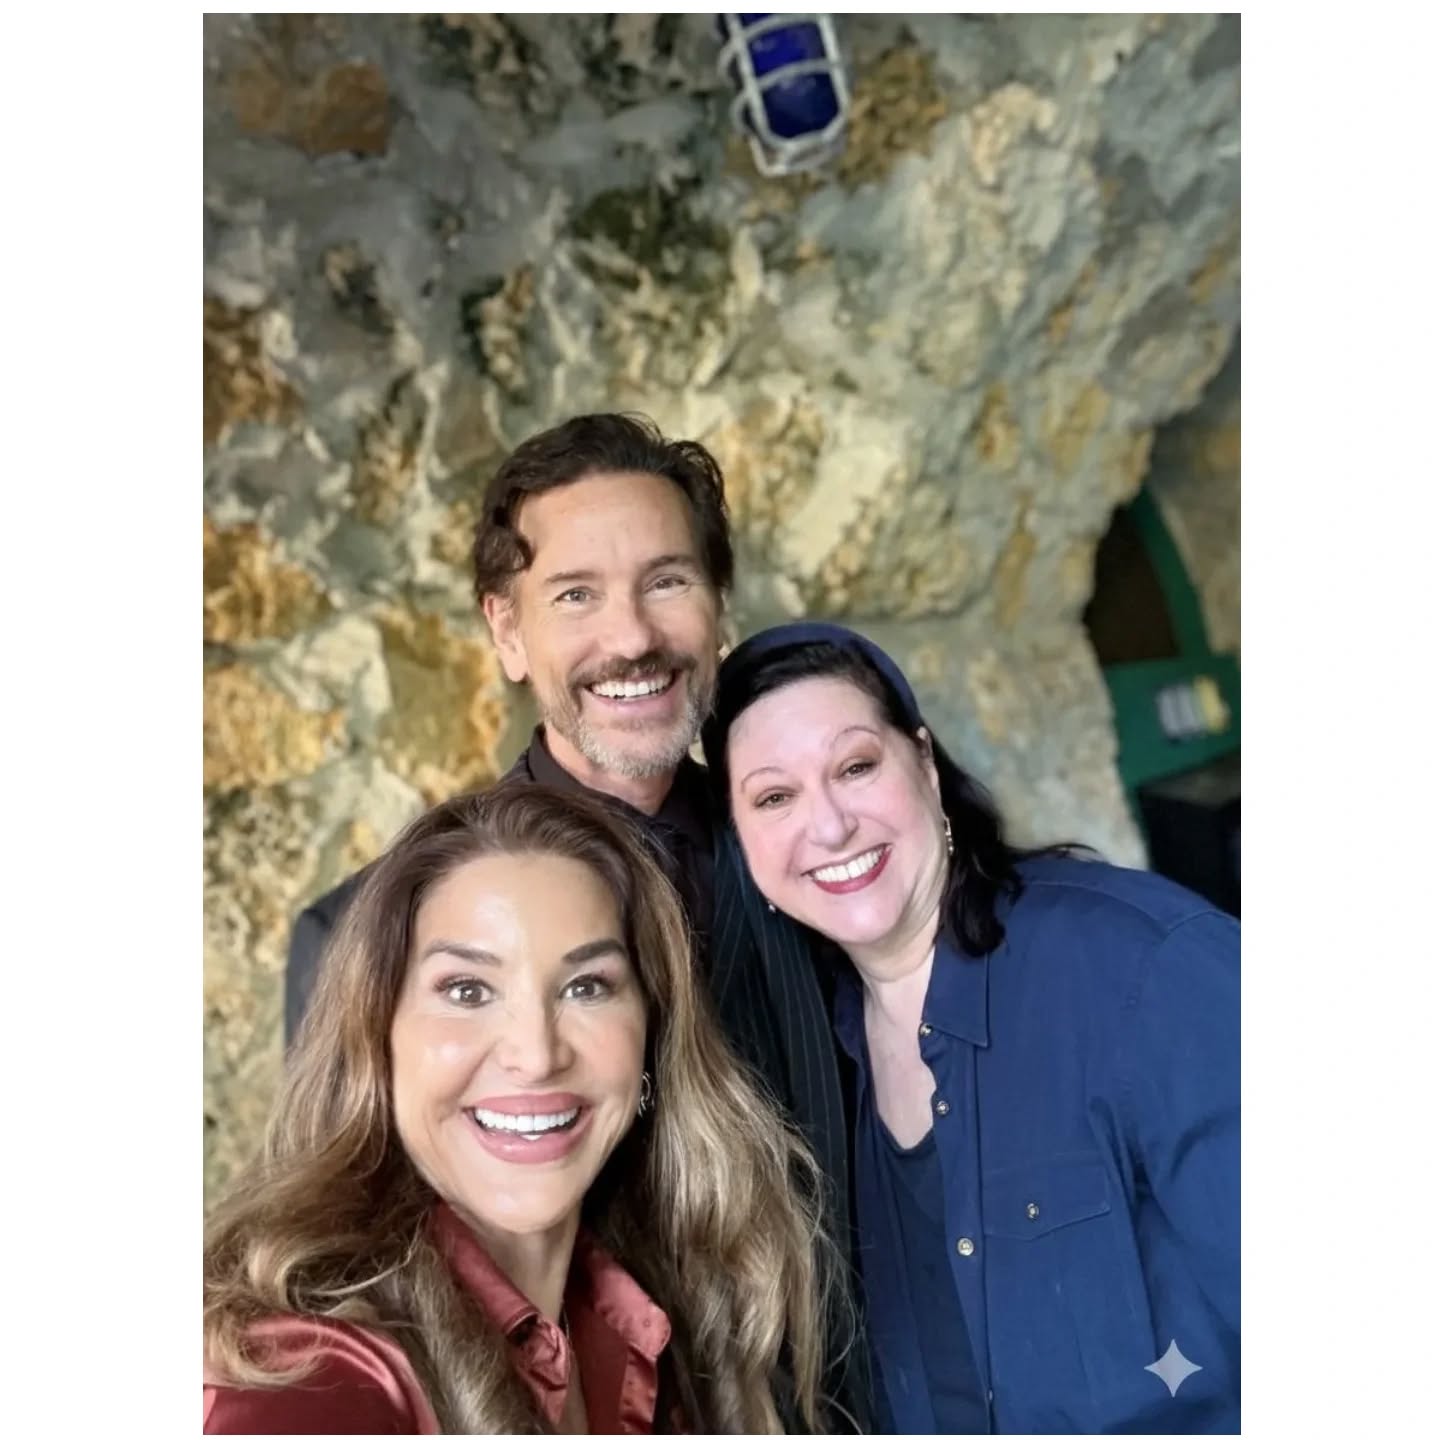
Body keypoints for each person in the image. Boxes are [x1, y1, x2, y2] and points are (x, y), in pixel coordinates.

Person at [283, 413, 869, 1428]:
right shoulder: (361, 933)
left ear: (718, 608)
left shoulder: (835, 866)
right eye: (575, 595)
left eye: (666, 581)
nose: (631, 638)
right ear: (508, 633)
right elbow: (355, 1263)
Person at [701, 622, 1241, 1435]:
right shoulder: (812, 1077)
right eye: (775, 798)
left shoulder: (1140, 966)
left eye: (855, 767)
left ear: (923, 762)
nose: (830, 826)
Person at [206, 783, 838, 1433]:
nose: (536, 1056)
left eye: (586, 987)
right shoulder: (308, 1372)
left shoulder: (657, 1310)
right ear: (378, 1036)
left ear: (652, 1036)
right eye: (468, 990)